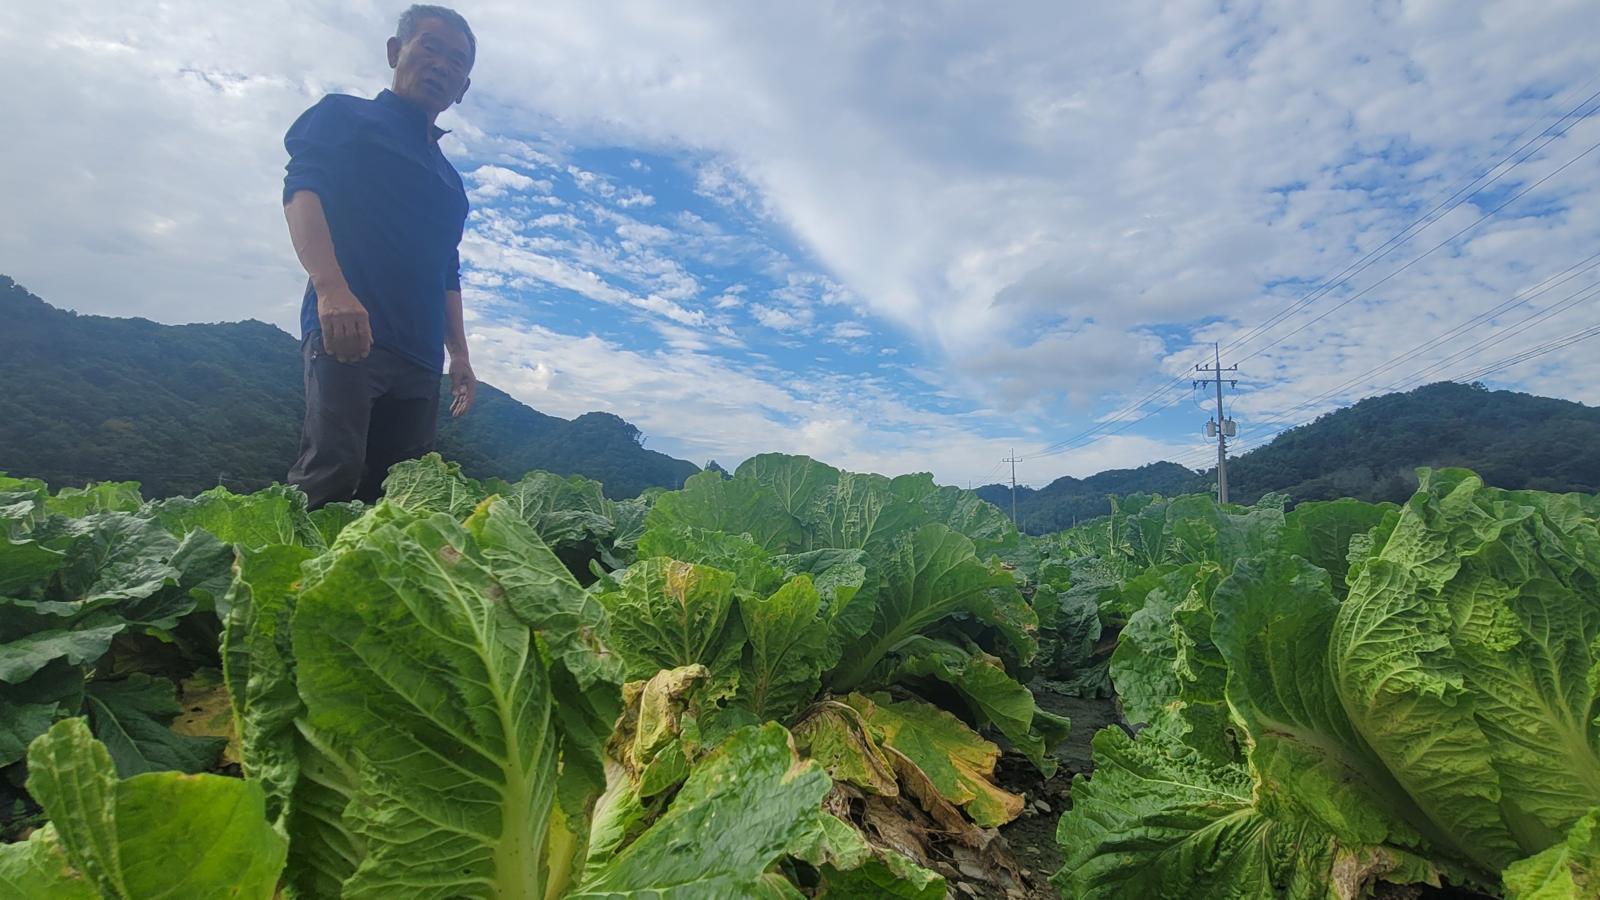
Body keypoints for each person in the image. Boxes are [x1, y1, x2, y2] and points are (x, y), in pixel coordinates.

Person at [282, 5, 478, 509]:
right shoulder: (346, 117)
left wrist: (459, 354)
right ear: (396, 51)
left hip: (420, 355)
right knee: (332, 473)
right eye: (430, 47)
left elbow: (447, 270)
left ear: (462, 87)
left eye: (456, 62)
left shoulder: (450, 182)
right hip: (350, 332)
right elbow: (302, 190)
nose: (441, 65)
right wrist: (330, 289)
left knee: (400, 497)